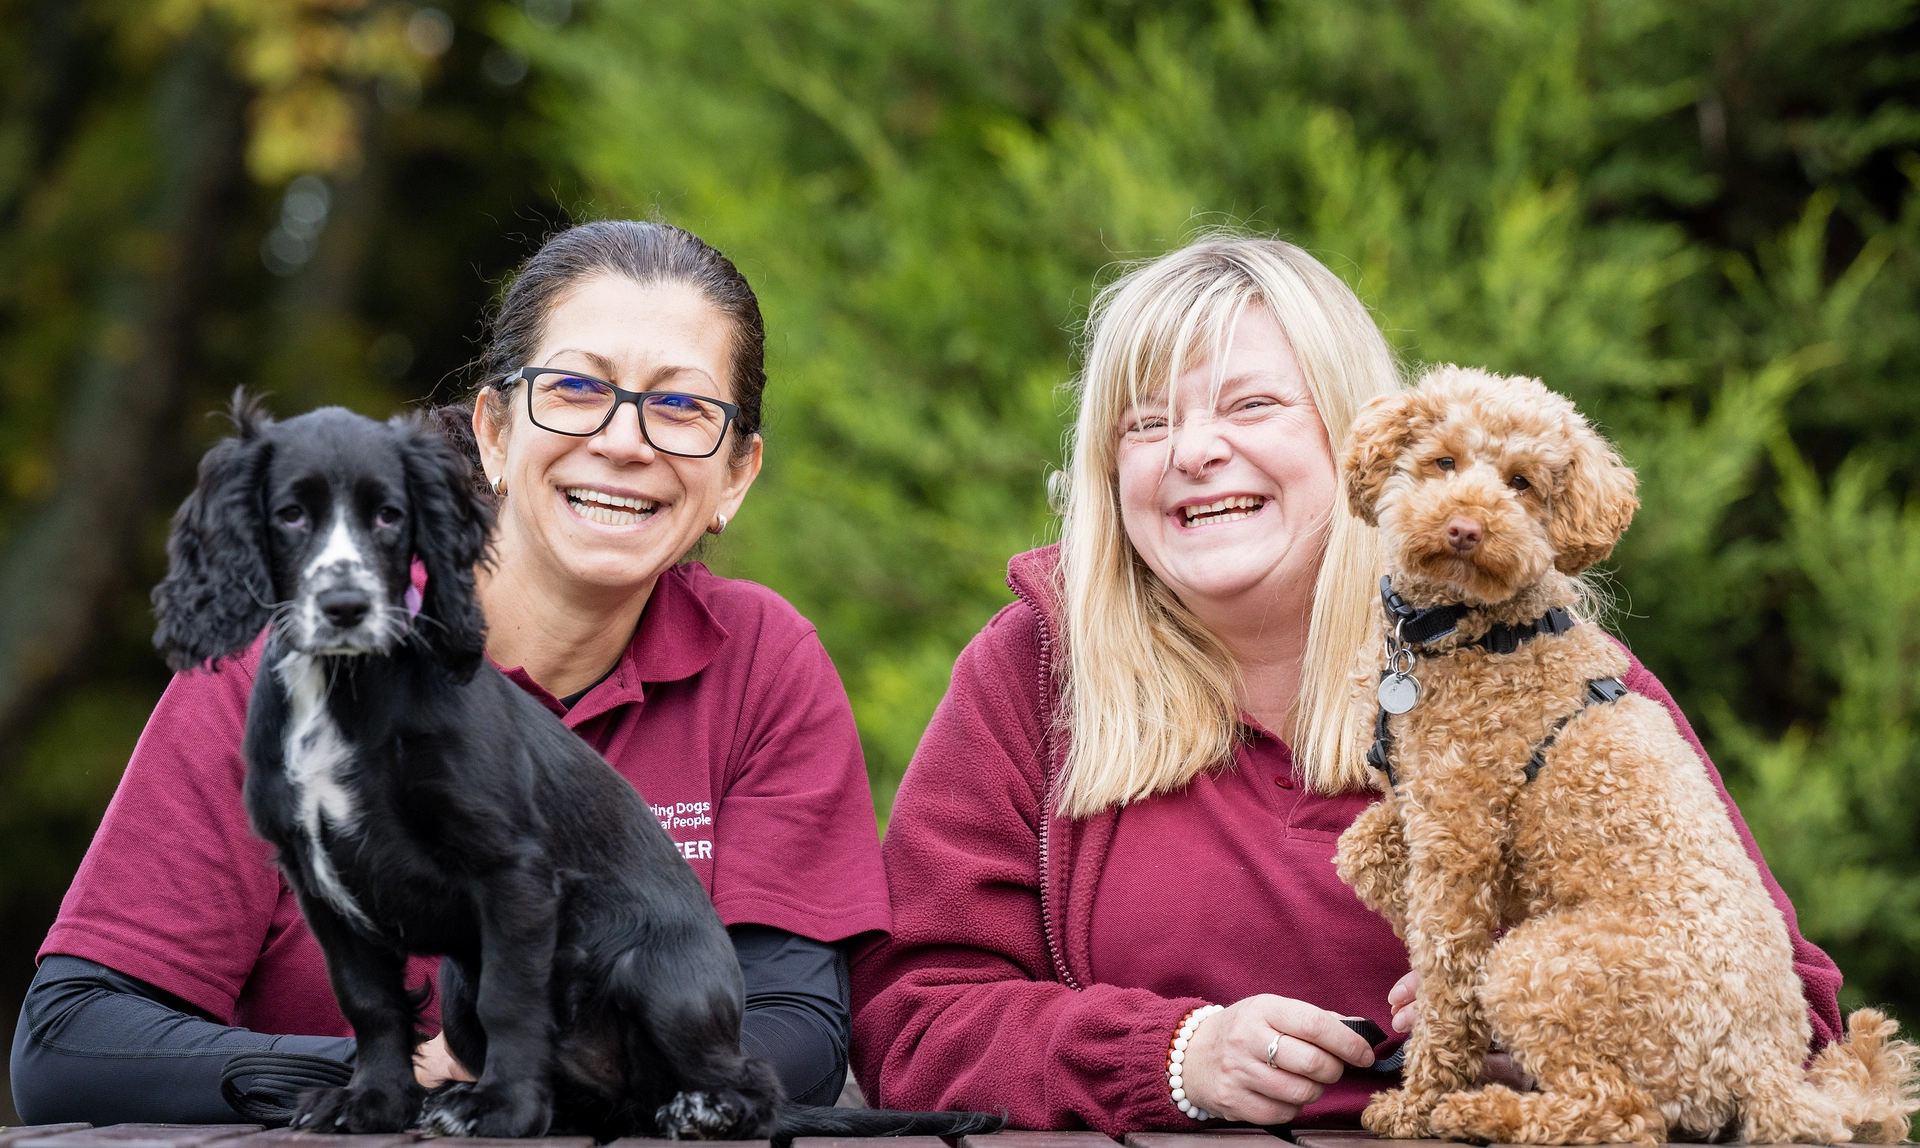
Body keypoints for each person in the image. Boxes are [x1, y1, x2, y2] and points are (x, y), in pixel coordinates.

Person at [848, 234, 1845, 1134]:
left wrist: (1573, 1044)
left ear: (1368, 444)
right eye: (1147, 422)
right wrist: (1169, 1056)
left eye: (1251, 404)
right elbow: (913, 1015)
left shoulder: (1547, 670)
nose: (1194, 452)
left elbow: (1789, 1006)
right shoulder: (1032, 664)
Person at [13, 220, 887, 1123]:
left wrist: (532, 1086)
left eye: (681, 408)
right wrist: (402, 1072)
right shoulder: (268, 669)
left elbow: (798, 1033)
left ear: (737, 476)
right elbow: (73, 1042)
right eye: (577, 389)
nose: (625, 442)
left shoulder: (761, 664)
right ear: (494, 432)